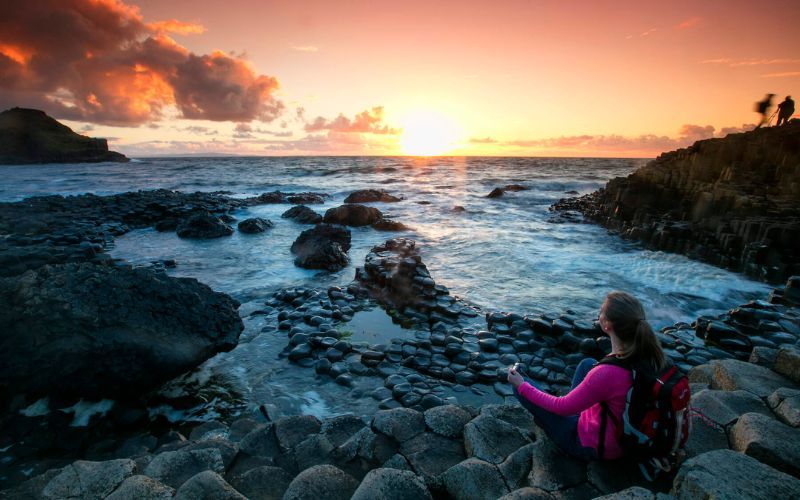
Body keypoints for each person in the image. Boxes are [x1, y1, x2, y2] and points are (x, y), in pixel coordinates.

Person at [508, 291, 667, 460]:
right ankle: (575, 409)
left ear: (606, 325)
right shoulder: (651, 357)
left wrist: (522, 386)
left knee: (520, 386)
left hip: (591, 445)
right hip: (626, 435)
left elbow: (562, 407)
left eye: (601, 312)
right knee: (587, 364)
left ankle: (566, 417)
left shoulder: (607, 373)